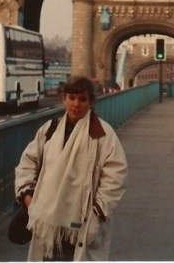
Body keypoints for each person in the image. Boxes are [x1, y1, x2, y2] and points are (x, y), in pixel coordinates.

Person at [15, 75, 128, 261]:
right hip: (47, 222)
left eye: (83, 99)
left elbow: (116, 176)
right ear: (64, 99)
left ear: (91, 102)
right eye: (72, 98)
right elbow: (27, 163)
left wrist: (97, 211)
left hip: (81, 223)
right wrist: (28, 196)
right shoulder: (49, 129)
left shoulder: (102, 134)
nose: (76, 104)